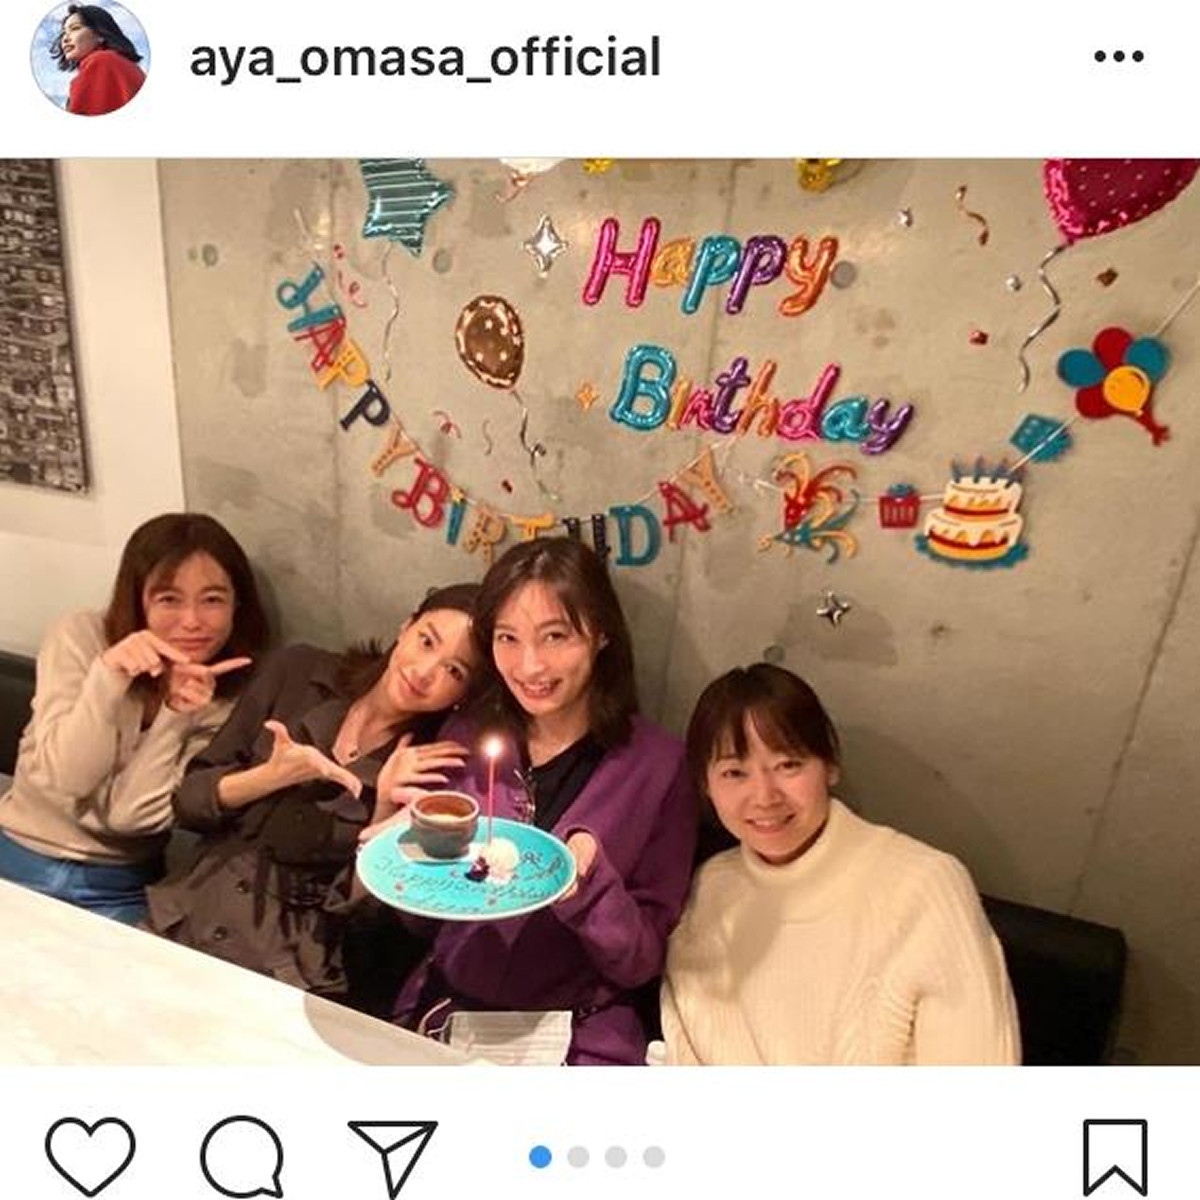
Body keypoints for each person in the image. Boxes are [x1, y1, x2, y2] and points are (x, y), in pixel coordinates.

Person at [363, 537, 697, 1065]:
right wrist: (407, 855)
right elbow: (420, 924)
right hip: (448, 1011)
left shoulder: (658, 767)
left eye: (555, 636)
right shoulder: (466, 735)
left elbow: (641, 963)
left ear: (601, 633)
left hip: (577, 1034)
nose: (530, 665)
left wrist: (589, 890)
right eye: (508, 638)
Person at [661, 663, 1020, 1065]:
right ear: (705, 785)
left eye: (788, 765)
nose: (764, 796)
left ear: (830, 765)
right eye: (734, 772)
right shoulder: (711, 888)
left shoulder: (925, 886)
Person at [144, 584, 482, 1004]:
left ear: (465, 693)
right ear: (406, 626)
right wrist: (269, 777)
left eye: (455, 671)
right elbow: (189, 804)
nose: (425, 671)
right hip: (185, 919)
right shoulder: (299, 672)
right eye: (426, 641)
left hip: (285, 970)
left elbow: (368, 927)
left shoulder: (431, 766)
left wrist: (382, 809)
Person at [0, 512, 268, 924]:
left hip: (121, 886)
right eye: (169, 599)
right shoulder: (81, 637)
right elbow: (69, 778)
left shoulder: (233, 694)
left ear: (238, 605)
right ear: (137, 600)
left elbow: (131, 817)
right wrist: (108, 678)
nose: (192, 621)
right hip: (18, 855)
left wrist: (177, 714)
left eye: (213, 599)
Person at [51, 4, 146, 117]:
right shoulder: (123, 63)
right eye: (63, 33)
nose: (65, 38)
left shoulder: (101, 61)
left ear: (100, 34)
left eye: (75, 28)